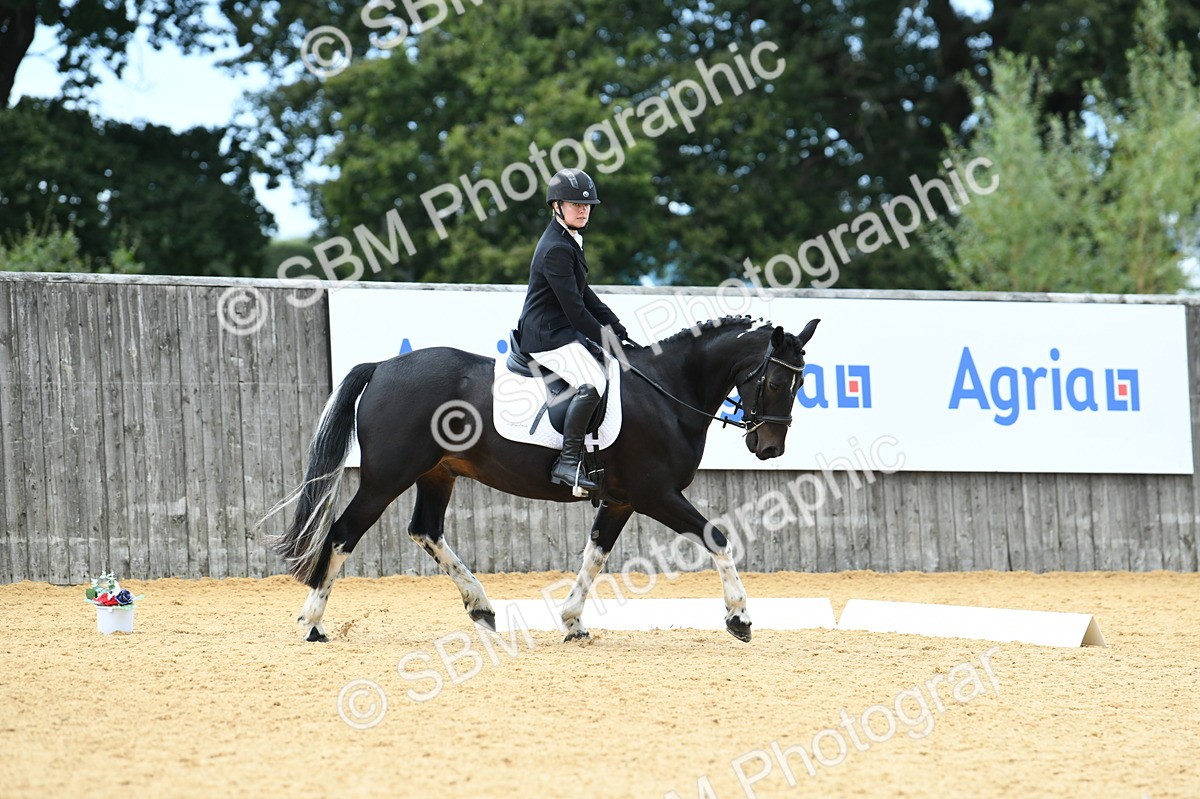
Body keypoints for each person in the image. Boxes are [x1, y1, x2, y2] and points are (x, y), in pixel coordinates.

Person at [515, 167, 632, 493]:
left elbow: (584, 293)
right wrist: (607, 339)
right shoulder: (557, 249)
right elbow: (576, 311)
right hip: (546, 336)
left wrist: (615, 325)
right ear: (557, 206)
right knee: (593, 380)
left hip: (561, 330)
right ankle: (566, 463)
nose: (583, 209)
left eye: (587, 205)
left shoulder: (568, 240)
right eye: (574, 204)